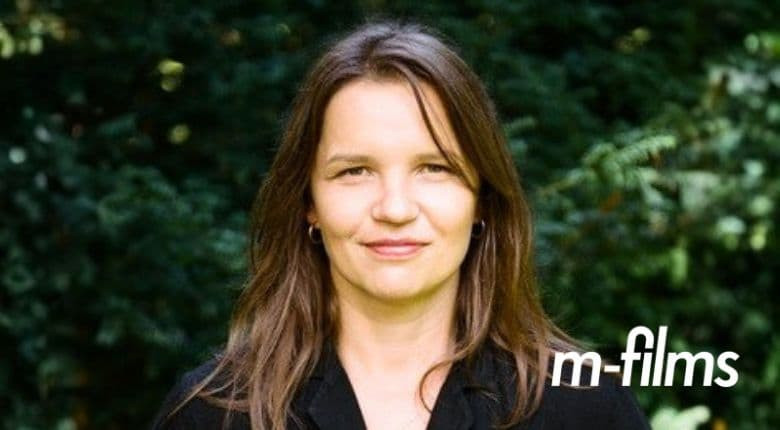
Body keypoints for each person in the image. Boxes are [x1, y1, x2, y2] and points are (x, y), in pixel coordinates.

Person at [151, 21, 650, 430]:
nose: (394, 208)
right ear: (309, 203)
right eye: (355, 171)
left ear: (481, 199)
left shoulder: (585, 410)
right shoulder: (212, 414)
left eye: (434, 168)